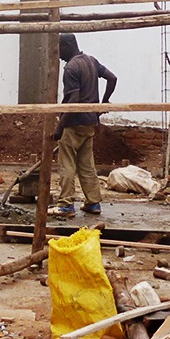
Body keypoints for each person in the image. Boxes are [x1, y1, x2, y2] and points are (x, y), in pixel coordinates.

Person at [50, 34, 117, 217]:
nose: (59, 54)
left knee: (67, 164)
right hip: (90, 122)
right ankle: (93, 202)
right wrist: (103, 104)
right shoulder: (91, 61)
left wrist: (60, 126)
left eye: (60, 49)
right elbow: (112, 78)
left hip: (73, 123)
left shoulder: (71, 67)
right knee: (86, 164)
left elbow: (74, 98)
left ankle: (65, 205)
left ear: (68, 45)